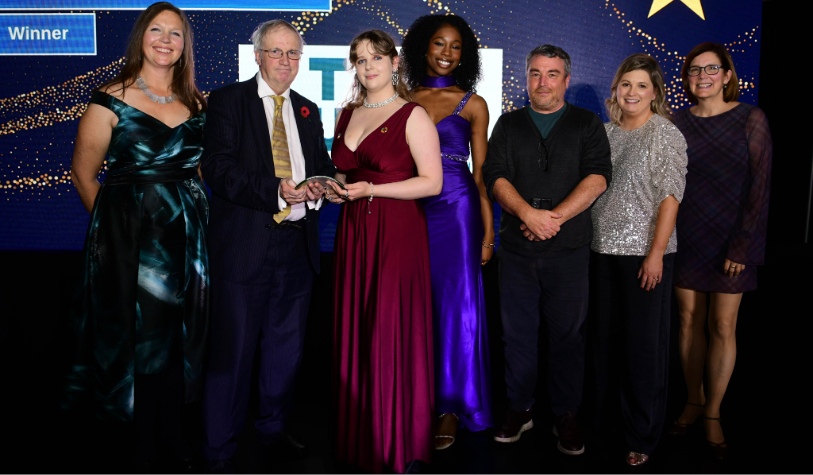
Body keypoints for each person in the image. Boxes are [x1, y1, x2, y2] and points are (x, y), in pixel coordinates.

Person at [65, 2, 208, 469]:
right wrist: (115, 239)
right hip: (128, 248)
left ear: (186, 44)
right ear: (140, 37)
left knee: (178, 343)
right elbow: (85, 176)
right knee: (136, 343)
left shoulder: (199, 104)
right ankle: (139, 445)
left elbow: (206, 175)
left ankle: (172, 436)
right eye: (156, 30)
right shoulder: (109, 99)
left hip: (188, 247)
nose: (166, 39)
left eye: (176, 33)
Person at [199, 19, 334, 470]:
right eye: (276, 52)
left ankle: (272, 433)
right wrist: (276, 190)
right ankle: (219, 449)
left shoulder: (309, 110)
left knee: (286, 353)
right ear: (257, 56)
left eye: (293, 53)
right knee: (232, 354)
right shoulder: (227, 101)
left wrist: (322, 187)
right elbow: (217, 169)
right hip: (244, 248)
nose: (285, 61)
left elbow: (322, 165)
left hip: (297, 248)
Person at [482, 44, 612, 455]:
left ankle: (566, 414)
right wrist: (526, 214)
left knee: (567, 337)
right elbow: (495, 176)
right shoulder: (508, 124)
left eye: (552, 74)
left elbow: (598, 177)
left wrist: (551, 219)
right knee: (517, 337)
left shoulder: (587, 123)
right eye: (536, 73)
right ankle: (520, 408)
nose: (543, 82)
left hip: (569, 253)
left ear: (566, 80)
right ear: (526, 78)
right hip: (518, 255)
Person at [327, 29, 442, 473]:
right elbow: (346, 172)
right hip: (355, 232)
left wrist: (372, 188)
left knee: (389, 330)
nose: (368, 65)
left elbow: (432, 183)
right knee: (358, 328)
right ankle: (362, 438)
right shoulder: (346, 113)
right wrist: (335, 189)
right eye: (359, 59)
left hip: (396, 234)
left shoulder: (412, 115)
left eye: (377, 57)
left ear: (395, 62)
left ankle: (397, 441)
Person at [669, 42, 771, 460]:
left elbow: (761, 188)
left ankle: (713, 412)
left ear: (727, 75)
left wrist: (744, 244)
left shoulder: (752, 118)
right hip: (687, 236)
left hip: (734, 239)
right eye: (694, 70)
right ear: (687, 79)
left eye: (712, 69)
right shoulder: (677, 121)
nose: (703, 76)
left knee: (723, 327)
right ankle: (693, 401)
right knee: (689, 321)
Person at [401, 14, 494, 449]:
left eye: (456, 46)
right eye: (439, 44)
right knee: (414, 304)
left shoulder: (473, 104)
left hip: (457, 212)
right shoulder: (400, 98)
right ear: (424, 48)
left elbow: (481, 178)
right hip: (409, 208)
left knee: (457, 309)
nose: (446, 53)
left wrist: (488, 235)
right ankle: (411, 397)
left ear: (465, 55)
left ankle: (453, 405)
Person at [590, 53, 687, 466]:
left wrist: (655, 255)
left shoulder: (664, 134)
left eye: (641, 85)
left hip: (644, 257)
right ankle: (606, 425)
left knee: (643, 350)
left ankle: (642, 435)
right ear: (616, 89)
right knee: (604, 346)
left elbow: (670, 197)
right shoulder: (605, 134)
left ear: (655, 93)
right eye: (626, 84)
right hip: (600, 253)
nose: (632, 92)